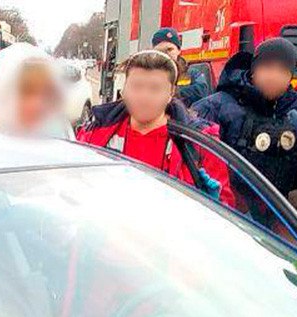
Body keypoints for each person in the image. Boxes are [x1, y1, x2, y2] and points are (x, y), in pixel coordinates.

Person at [79, 50, 232, 205]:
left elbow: (225, 212)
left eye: (155, 88)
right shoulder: (94, 134)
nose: (144, 97)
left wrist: (213, 205)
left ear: (170, 93)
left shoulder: (199, 143)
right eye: (136, 86)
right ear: (123, 90)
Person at [193, 38, 297, 218]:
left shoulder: (295, 122)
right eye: (268, 67)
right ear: (253, 70)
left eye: (283, 71)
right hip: (220, 217)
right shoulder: (214, 108)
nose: (274, 76)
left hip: (273, 225)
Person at [0, 43, 73, 139]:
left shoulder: (57, 141)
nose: (38, 103)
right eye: (26, 91)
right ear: (1, 92)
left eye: (46, 93)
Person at [151, 27, 211, 105]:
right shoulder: (146, 74)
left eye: (169, 49)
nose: (165, 54)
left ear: (179, 50)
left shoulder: (192, 74)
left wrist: (172, 94)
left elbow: (201, 91)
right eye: (160, 51)